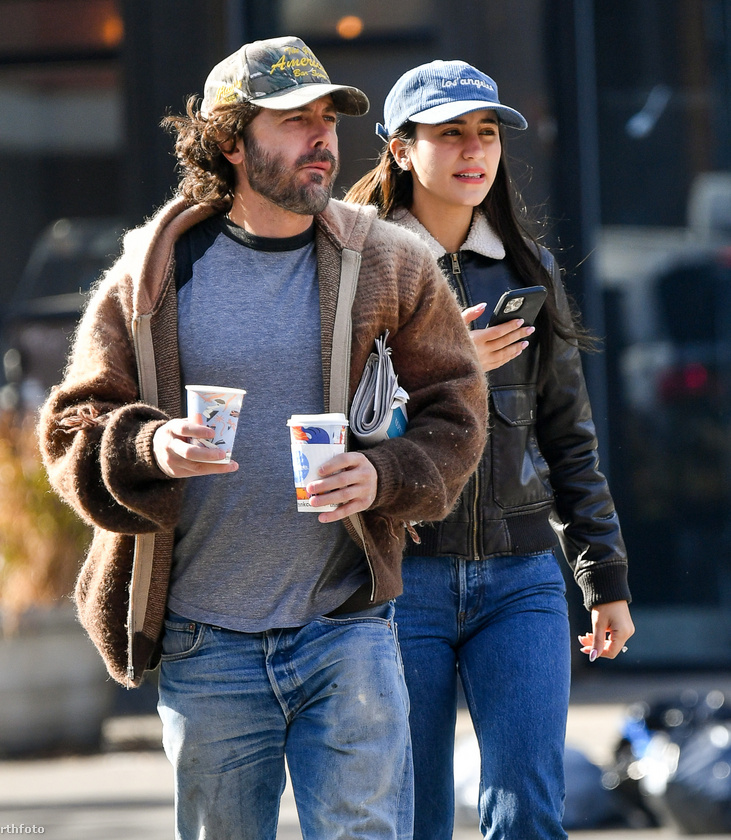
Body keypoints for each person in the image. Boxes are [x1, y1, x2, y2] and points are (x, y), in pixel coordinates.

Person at [38, 38, 488, 840]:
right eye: (293, 121)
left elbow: (455, 411)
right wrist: (149, 448)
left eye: (327, 119)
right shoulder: (152, 273)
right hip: (204, 641)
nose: (321, 138)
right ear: (229, 142)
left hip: (345, 627)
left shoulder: (388, 260)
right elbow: (73, 427)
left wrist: (386, 475)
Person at [346, 59, 635, 839]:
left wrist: (602, 576)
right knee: (415, 817)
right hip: (401, 580)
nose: (474, 151)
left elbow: (567, 437)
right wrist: (444, 365)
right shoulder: (351, 269)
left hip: (520, 581)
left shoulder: (523, 271)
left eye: (485, 133)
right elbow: (326, 423)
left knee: (529, 814)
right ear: (400, 150)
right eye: (450, 134)